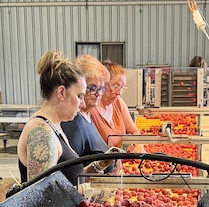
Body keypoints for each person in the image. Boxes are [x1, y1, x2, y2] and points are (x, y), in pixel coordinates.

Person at [17, 51, 85, 185]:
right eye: (79, 96)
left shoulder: (54, 126)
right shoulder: (42, 132)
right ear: (61, 92)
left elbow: (67, 178)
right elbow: (42, 195)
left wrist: (97, 167)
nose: (83, 104)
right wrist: (82, 190)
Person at [62, 55, 117, 174]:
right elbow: (69, 176)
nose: (99, 94)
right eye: (92, 88)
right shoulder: (74, 124)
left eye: (102, 88)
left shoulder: (88, 115)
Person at [90, 60, 144, 153]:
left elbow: (134, 131)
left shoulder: (118, 103)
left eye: (122, 88)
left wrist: (139, 146)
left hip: (116, 163)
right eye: (116, 86)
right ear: (103, 83)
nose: (119, 92)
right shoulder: (91, 109)